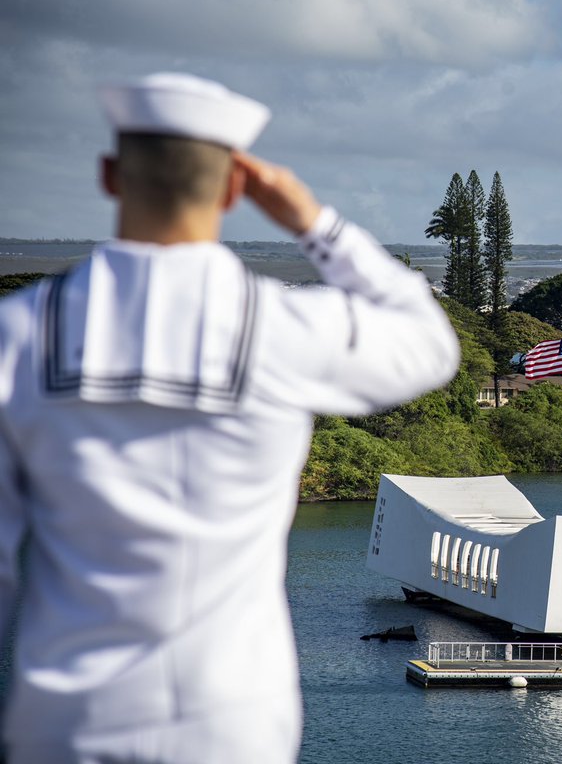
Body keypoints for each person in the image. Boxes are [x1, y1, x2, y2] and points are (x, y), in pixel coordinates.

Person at [0, 73, 460, 762]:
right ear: (233, 189)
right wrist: (313, 222)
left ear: (109, 176)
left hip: (64, 720)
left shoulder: (18, 336)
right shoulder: (282, 328)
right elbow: (429, 344)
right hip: (234, 720)